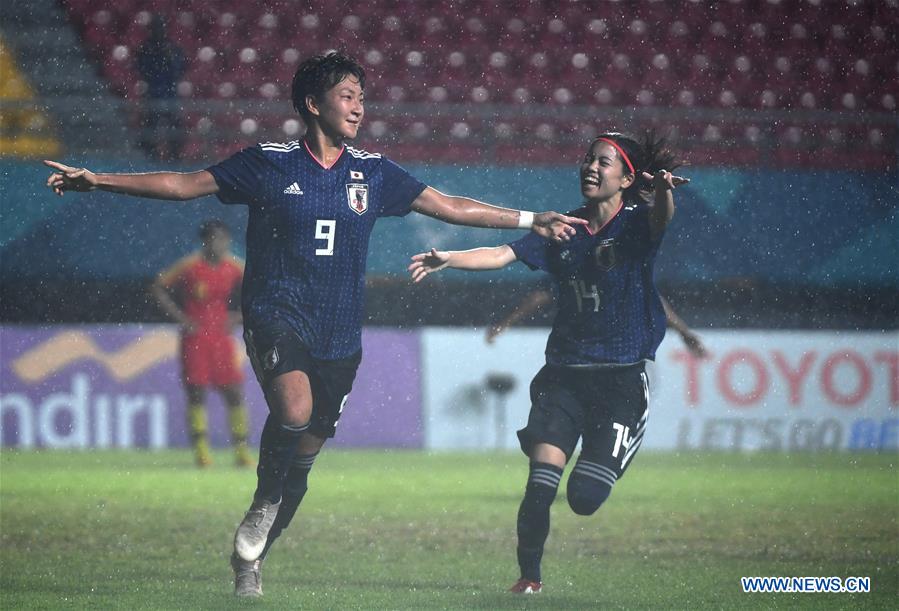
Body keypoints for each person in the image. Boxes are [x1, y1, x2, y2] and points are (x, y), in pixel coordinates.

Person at [44, 51, 586, 598]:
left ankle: (252, 559)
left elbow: (446, 205)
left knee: (305, 458)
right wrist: (100, 181)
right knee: (294, 411)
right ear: (312, 103)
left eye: (361, 97)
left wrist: (527, 218)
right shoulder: (268, 162)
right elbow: (186, 183)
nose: (358, 107)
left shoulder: (373, 173)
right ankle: (262, 500)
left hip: (339, 333)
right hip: (276, 313)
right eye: (347, 96)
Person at [409, 132, 689, 594]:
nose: (591, 168)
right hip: (564, 377)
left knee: (583, 498)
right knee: (540, 483)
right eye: (588, 159)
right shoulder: (563, 228)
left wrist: (661, 190)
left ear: (626, 178)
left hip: (620, 382)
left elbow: (662, 216)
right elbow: (502, 254)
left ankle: (621, 442)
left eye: (604, 162)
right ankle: (529, 579)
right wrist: (450, 259)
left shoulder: (639, 222)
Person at [150, 219, 252, 468]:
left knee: (234, 392)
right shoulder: (190, 266)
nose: (220, 244)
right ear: (205, 241)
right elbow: (158, 288)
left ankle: (241, 452)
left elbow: (262, 286)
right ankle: (202, 452)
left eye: (224, 239)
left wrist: (240, 316)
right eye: (215, 239)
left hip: (221, 337)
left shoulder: (235, 266)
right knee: (196, 393)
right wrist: (182, 319)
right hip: (195, 338)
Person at [486, 283, 707, 358]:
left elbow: (652, 299)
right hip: (579, 350)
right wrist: (505, 323)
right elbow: (541, 295)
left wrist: (684, 332)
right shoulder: (576, 257)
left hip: (614, 353)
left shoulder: (624, 263)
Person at [135, 16, 186, 160]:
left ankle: (174, 156)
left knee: (173, 125)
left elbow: (180, 67)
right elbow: (142, 68)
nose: (159, 32)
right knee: (151, 124)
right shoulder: (146, 48)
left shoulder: (171, 48)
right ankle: (151, 156)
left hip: (168, 92)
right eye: (156, 28)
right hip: (154, 92)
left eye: (160, 28)